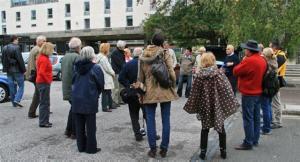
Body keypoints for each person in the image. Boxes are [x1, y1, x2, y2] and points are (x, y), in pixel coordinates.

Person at [183, 52, 239, 160]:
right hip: (217, 104)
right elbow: (227, 90)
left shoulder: (199, 77)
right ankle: (223, 151)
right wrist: (227, 101)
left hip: (204, 105)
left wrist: (194, 104)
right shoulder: (219, 74)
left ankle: (203, 152)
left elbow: (194, 93)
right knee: (221, 127)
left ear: (202, 62)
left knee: (205, 129)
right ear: (213, 61)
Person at [137, 33, 178, 158]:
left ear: (151, 41)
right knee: (166, 119)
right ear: (162, 42)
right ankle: (164, 149)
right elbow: (171, 71)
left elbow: (140, 76)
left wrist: (141, 90)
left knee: (150, 119)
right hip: (165, 88)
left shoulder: (143, 55)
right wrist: (173, 83)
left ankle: (153, 149)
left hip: (149, 89)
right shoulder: (165, 53)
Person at [233, 40, 267, 150]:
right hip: (258, 92)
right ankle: (255, 140)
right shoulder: (262, 60)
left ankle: (248, 142)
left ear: (250, 51)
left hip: (249, 93)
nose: (244, 51)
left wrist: (243, 61)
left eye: (246, 49)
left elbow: (236, 71)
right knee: (256, 118)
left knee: (248, 118)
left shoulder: (249, 61)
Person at [72, 46, 104, 154]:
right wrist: (96, 94)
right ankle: (91, 148)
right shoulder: (96, 68)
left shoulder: (76, 67)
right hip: (89, 98)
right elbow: (100, 84)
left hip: (77, 98)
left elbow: (73, 81)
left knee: (79, 124)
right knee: (90, 126)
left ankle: (81, 146)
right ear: (92, 54)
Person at [119, 47, 146, 141]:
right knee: (148, 114)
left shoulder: (128, 64)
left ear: (134, 54)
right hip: (144, 92)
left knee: (134, 114)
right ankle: (152, 134)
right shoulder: (145, 64)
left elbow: (121, 78)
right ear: (141, 54)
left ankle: (137, 134)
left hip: (132, 93)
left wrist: (129, 85)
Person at [61, 37, 81, 139]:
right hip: (74, 88)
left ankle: (68, 130)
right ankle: (74, 132)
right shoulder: (77, 57)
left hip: (67, 87)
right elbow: (78, 74)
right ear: (78, 47)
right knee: (76, 110)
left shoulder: (65, 56)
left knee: (73, 109)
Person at [1, 35, 26, 107]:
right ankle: (17, 100)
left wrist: (5, 68)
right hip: (17, 70)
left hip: (9, 71)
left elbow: (2, 60)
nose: (18, 41)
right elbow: (20, 60)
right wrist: (24, 70)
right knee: (21, 86)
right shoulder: (16, 47)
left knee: (12, 86)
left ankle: (14, 103)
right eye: (17, 40)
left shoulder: (4, 48)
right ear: (14, 40)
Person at [25, 35, 46, 118]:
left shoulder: (34, 48)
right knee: (38, 94)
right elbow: (39, 64)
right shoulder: (38, 50)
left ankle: (42, 109)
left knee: (38, 93)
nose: (45, 42)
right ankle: (32, 112)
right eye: (44, 41)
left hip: (32, 73)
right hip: (36, 74)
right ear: (39, 42)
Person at [36, 42, 54, 128]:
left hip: (42, 82)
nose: (52, 51)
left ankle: (45, 120)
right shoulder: (44, 59)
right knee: (44, 103)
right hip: (43, 82)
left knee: (45, 102)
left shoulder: (42, 57)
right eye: (51, 49)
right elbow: (41, 72)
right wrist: (48, 80)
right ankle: (43, 122)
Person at [260, 47, 278, 135]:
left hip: (266, 89)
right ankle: (268, 124)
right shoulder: (274, 61)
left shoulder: (267, 64)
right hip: (272, 89)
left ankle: (266, 128)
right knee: (268, 106)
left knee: (265, 108)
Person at [270, 41, 287, 129]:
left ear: (275, 48)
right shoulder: (278, 55)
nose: (270, 49)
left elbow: (274, 67)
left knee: (276, 101)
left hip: (276, 79)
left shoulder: (281, 56)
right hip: (275, 79)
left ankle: (277, 121)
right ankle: (274, 120)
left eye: (270, 47)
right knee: (274, 101)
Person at [96, 43, 115, 112]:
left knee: (108, 92)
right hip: (106, 77)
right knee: (106, 92)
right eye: (108, 48)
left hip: (102, 76)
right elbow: (108, 68)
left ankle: (110, 105)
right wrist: (113, 73)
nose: (109, 49)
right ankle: (105, 107)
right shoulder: (103, 58)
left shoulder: (98, 56)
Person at [111, 40, 126, 107]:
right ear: (120, 47)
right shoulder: (115, 53)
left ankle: (120, 100)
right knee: (116, 88)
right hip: (117, 72)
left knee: (121, 87)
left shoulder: (121, 52)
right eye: (123, 46)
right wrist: (126, 67)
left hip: (121, 72)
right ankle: (115, 101)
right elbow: (120, 63)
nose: (124, 47)